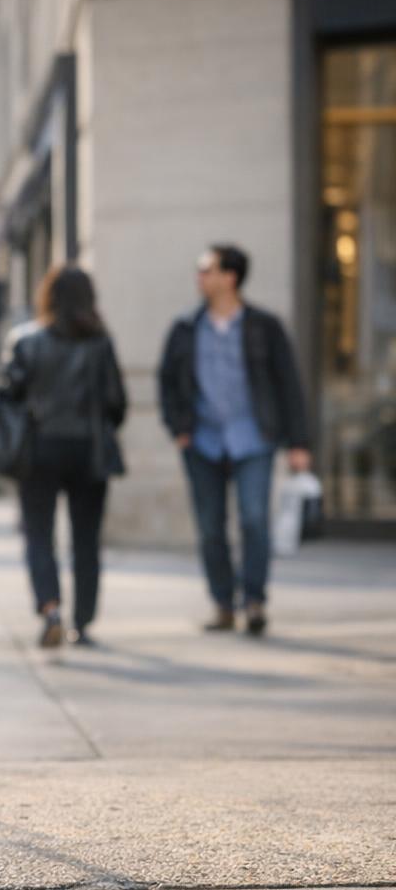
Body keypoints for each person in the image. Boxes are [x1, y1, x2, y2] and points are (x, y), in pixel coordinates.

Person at [158, 244, 311, 636]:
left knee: (254, 520)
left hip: (253, 438)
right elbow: (167, 381)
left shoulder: (265, 326)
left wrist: (299, 442)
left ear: (230, 277)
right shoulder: (186, 327)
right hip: (203, 440)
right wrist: (179, 429)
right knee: (211, 527)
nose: (199, 277)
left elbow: (288, 383)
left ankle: (254, 600)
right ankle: (223, 603)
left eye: (206, 269)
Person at [1, 266, 127, 648]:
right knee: (86, 538)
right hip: (87, 449)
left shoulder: (27, 342)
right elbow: (116, 404)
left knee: (39, 534)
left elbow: (8, 397)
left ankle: (51, 608)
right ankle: (83, 622)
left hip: (39, 448)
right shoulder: (100, 344)